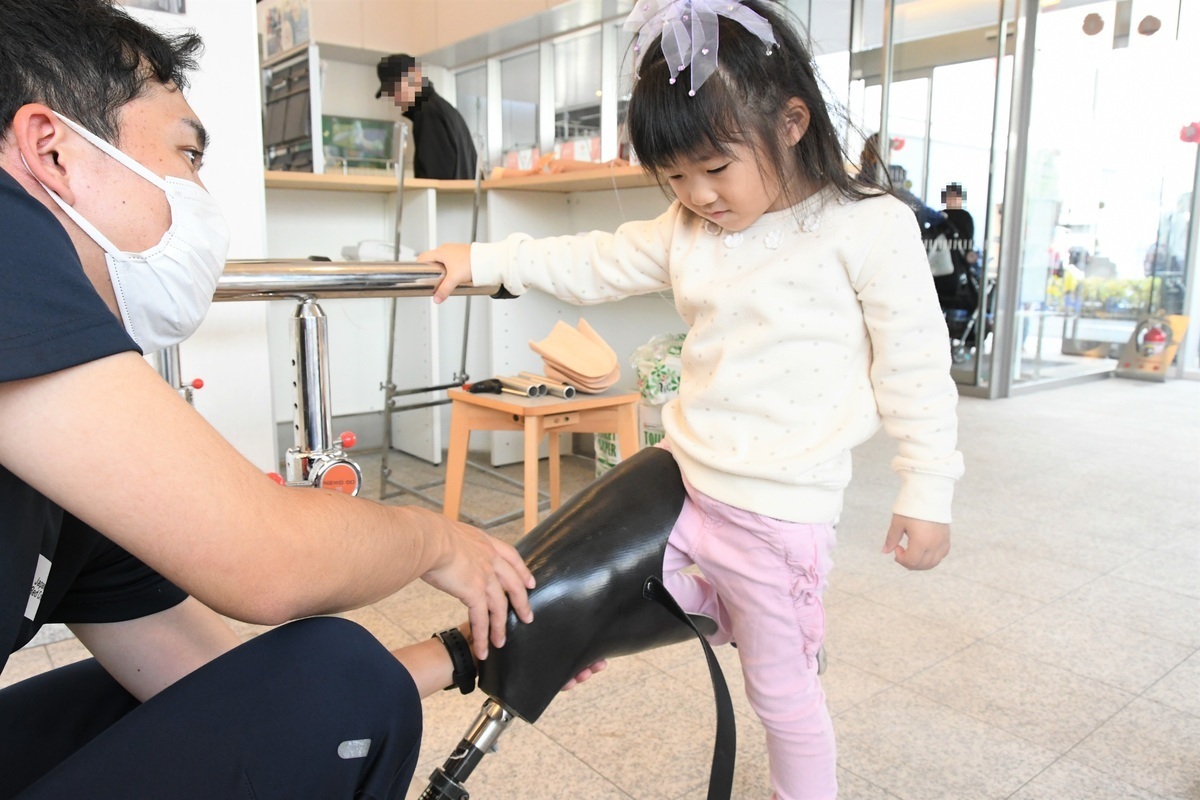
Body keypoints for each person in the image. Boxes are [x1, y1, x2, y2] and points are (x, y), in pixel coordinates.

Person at [0, 2, 586, 796]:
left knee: (286, 683)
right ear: (51, 149)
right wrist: (439, 542)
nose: (201, 192)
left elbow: (203, 678)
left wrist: (461, 655)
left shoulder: (68, 464)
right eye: (187, 153)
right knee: (335, 672)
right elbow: (267, 560)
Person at [423, 1, 964, 797]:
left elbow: (916, 368)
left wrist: (927, 489)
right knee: (572, 602)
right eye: (674, 177)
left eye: (715, 168)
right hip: (679, 485)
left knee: (782, 696)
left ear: (790, 121)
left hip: (778, 517)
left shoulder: (865, 227)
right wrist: (485, 259)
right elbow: (596, 261)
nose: (698, 195)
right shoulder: (689, 228)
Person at [376, 53, 478, 180]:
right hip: (462, 198)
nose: (394, 98)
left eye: (393, 89)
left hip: (446, 199)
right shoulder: (445, 109)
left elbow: (433, 178)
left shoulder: (427, 113)